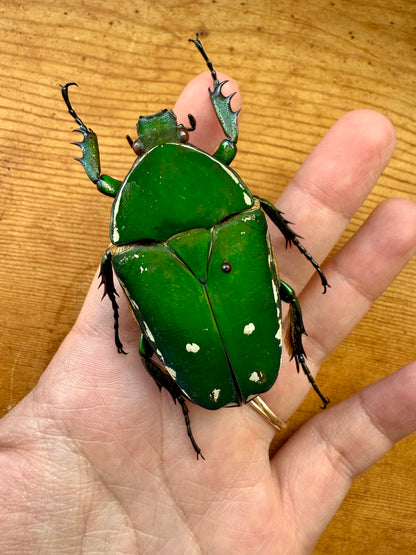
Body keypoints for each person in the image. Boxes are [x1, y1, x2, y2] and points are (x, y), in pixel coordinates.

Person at [0, 71, 414, 554]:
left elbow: (99, 180)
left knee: (141, 347)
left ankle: (203, 396)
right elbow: (230, 146)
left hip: (201, 371)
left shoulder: (128, 248)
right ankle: (293, 364)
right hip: (240, 343)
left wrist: (84, 131)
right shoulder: (234, 206)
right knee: (288, 293)